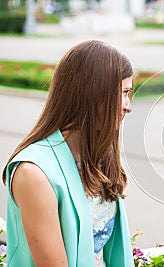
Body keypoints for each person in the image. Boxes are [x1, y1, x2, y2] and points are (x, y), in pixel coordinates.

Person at [2, 40, 135, 267]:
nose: (128, 105)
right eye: (123, 93)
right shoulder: (33, 172)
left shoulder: (98, 154)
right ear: (94, 94)